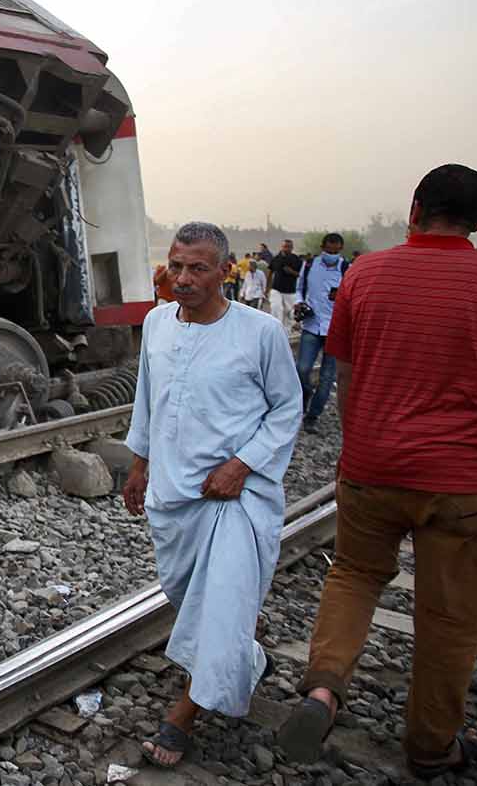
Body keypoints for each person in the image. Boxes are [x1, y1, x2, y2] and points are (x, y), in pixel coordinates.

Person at [276, 165, 477, 780]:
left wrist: (358, 443)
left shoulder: (365, 274)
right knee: (451, 615)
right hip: (466, 481)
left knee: (353, 576)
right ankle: (431, 745)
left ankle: (322, 689)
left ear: (414, 208)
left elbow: (342, 374)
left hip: (373, 469)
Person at [122, 221, 302, 768]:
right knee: (188, 597)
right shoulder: (156, 324)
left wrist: (242, 465)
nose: (183, 278)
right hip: (174, 495)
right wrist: (139, 464)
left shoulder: (260, 332)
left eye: (198, 268)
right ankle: (243, 649)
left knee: (219, 606)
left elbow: (286, 409)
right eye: (176, 266)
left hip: (234, 499)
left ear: (225, 271)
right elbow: (148, 401)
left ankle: (184, 715)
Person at [293, 233, 346, 433]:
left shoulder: (346, 268)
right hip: (312, 325)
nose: (331, 254)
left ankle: (312, 416)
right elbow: (299, 288)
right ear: (322, 247)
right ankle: (305, 394)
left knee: (326, 378)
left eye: (335, 251)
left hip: (335, 329)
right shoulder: (309, 266)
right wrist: (299, 302)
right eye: (328, 250)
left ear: (340, 250)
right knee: (302, 369)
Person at [267, 239, 302, 332]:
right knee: (276, 307)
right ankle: (275, 329)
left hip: (290, 291)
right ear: (281, 247)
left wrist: (292, 272)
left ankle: (286, 332)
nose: (286, 249)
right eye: (284, 246)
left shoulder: (296, 259)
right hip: (276, 289)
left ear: (292, 248)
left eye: (288, 247)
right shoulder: (276, 258)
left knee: (289, 313)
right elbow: (270, 273)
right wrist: (267, 289)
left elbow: (301, 275)